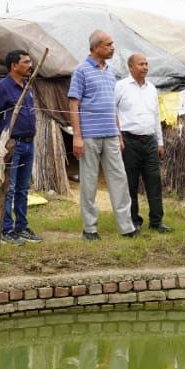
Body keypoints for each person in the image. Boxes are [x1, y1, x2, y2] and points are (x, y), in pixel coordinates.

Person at [68, 30, 137, 240]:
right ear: (96, 47)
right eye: (108, 44)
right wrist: (77, 136)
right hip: (89, 135)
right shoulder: (80, 71)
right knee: (89, 182)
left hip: (111, 134)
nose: (112, 47)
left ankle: (126, 227)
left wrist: (119, 133)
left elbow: (112, 106)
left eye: (112, 43)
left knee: (119, 178)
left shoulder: (110, 72)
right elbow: (73, 104)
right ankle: (90, 229)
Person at [0, 49, 43, 245]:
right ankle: (6, 229)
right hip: (13, 144)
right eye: (26, 62)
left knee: (23, 188)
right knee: (9, 187)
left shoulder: (27, 86)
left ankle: (21, 227)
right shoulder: (2, 88)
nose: (30, 65)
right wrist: (2, 136)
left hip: (28, 143)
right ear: (14, 65)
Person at [115, 52, 170, 233]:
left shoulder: (152, 89)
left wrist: (160, 142)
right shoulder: (121, 86)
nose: (145, 67)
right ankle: (133, 221)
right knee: (130, 183)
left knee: (154, 182)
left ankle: (157, 221)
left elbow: (156, 117)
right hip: (129, 141)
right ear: (131, 67)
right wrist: (118, 136)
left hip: (150, 141)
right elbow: (112, 111)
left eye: (146, 64)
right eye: (141, 64)